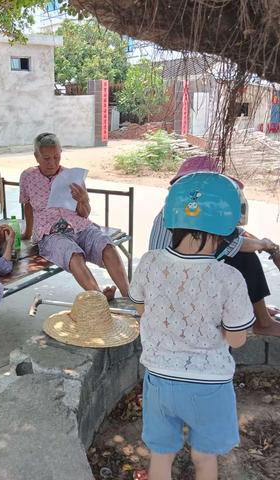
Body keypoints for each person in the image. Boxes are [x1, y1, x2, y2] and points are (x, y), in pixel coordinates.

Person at [130, 172, 255, 480]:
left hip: (159, 380)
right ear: (227, 228)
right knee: (204, 458)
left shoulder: (149, 262)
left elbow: (141, 308)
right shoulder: (228, 278)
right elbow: (237, 340)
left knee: (161, 457)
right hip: (209, 386)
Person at [149, 155, 280, 337]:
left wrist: (268, 246)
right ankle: (263, 322)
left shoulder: (178, 211)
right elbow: (237, 242)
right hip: (182, 290)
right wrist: (267, 246)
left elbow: (238, 233)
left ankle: (255, 309)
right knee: (244, 258)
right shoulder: (195, 217)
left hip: (172, 286)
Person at [19, 133, 129, 300]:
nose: (52, 163)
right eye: (47, 158)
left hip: (80, 226)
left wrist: (83, 200)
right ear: (36, 156)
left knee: (107, 245)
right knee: (73, 254)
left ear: (61, 153)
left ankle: (130, 297)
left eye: (56, 157)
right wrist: (27, 234)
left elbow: (84, 213)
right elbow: (27, 205)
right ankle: (99, 300)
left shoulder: (72, 176)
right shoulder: (28, 176)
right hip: (52, 234)